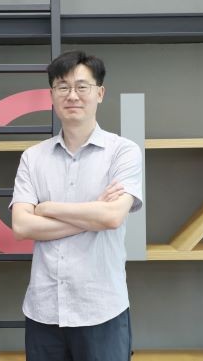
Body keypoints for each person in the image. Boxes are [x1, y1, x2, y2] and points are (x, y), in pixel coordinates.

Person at [11, 50, 143, 361]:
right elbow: (22, 225)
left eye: (82, 86)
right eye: (63, 87)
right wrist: (92, 213)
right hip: (44, 311)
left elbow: (112, 217)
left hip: (101, 310)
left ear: (100, 93)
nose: (72, 95)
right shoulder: (33, 157)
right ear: (52, 95)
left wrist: (47, 208)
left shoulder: (123, 152)